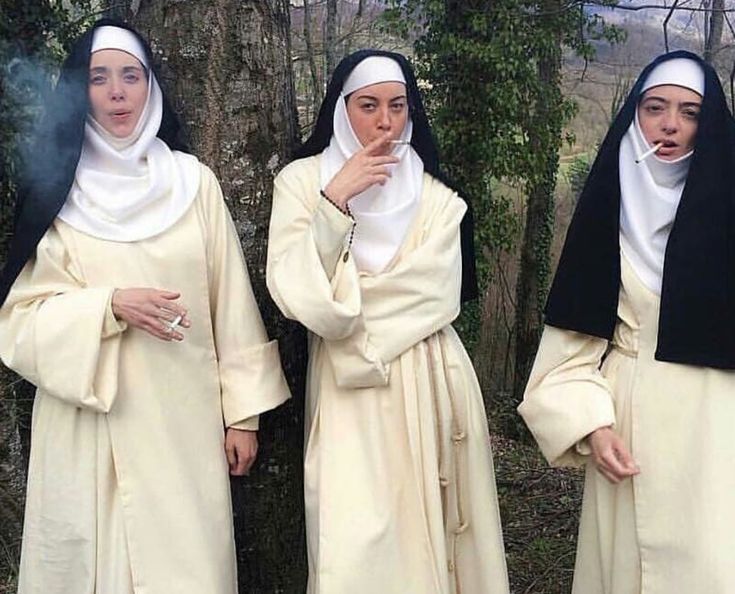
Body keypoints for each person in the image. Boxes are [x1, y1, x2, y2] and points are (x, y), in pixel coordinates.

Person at [0, 20, 290, 594]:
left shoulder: (193, 183)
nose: (116, 92)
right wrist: (108, 307)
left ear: (149, 86)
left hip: (182, 422)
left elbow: (230, 299)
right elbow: (18, 319)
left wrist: (244, 415)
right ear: (80, 89)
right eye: (100, 78)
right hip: (89, 425)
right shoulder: (57, 191)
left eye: (130, 76)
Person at [266, 50, 509, 594]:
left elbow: (436, 297)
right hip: (348, 394)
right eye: (368, 105)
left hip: (431, 379)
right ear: (341, 110)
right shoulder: (303, 184)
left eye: (398, 106)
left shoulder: (440, 199)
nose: (385, 122)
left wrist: (340, 306)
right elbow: (293, 292)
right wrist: (336, 200)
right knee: (353, 544)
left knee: (436, 538)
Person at [519, 51, 735, 593]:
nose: (670, 124)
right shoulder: (606, 209)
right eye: (655, 107)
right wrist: (593, 424)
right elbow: (569, 345)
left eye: (689, 112)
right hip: (628, 420)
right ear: (635, 115)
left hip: (718, 429)